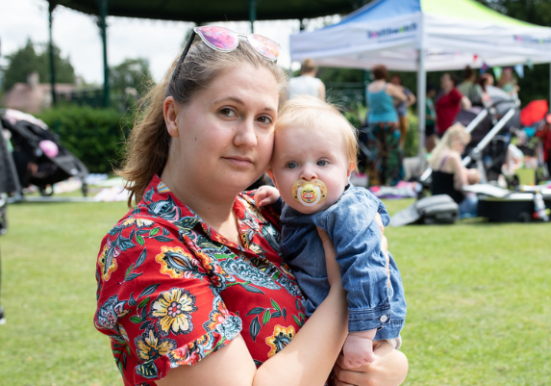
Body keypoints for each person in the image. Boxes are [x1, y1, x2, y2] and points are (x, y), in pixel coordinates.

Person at [94, 26, 408, 386]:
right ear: (173, 116)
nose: (247, 138)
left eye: (264, 119)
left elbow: (378, 354)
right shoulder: (143, 247)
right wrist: (342, 297)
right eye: (227, 111)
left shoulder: (267, 213)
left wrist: (388, 367)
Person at [254, 96, 406, 369]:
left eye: (323, 162)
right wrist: (278, 200)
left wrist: (361, 333)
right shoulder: (298, 207)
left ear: (348, 172)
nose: (308, 174)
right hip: (325, 323)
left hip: (362, 324)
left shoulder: (348, 212)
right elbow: (301, 218)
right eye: (292, 165)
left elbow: (366, 268)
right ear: (273, 176)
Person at [366, 64, 407, 186]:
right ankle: (394, 180)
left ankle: (376, 180)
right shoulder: (389, 87)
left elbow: (370, 105)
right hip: (390, 122)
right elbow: (404, 98)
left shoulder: (369, 88)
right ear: (385, 74)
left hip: (373, 122)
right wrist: (393, 102)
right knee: (393, 152)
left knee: (376, 152)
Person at [429, 123, 480, 218]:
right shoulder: (453, 157)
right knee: (478, 202)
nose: (463, 149)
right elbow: (463, 186)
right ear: (455, 138)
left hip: (436, 202)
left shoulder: (438, 154)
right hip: (451, 204)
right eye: (462, 144)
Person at [435, 73, 471, 137]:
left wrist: (464, 118)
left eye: (445, 79)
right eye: (442, 79)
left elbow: (466, 102)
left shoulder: (453, 92)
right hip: (442, 128)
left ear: (452, 82)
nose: (442, 80)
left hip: (450, 128)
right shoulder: (442, 93)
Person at [390, 74, 416, 147]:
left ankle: (400, 151)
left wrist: (405, 104)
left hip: (402, 114)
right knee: (394, 135)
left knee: (402, 135)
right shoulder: (390, 89)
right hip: (394, 115)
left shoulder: (403, 89)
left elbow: (412, 99)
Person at [425, 84, 438, 152]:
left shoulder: (429, 100)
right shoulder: (424, 100)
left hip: (432, 124)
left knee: (431, 144)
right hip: (427, 124)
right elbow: (422, 114)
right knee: (435, 143)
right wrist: (432, 118)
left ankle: (427, 157)